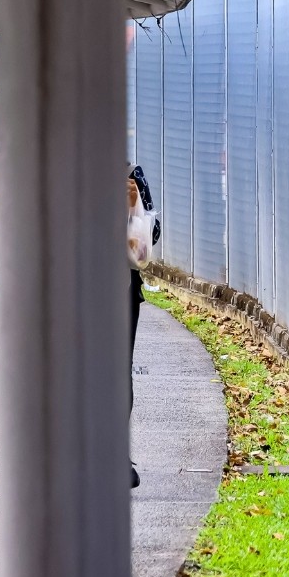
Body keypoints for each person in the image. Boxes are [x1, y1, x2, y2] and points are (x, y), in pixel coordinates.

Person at [128, 164, 159, 488]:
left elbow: (153, 232)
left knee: (119, 372)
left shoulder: (130, 176)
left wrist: (133, 208)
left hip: (121, 290)